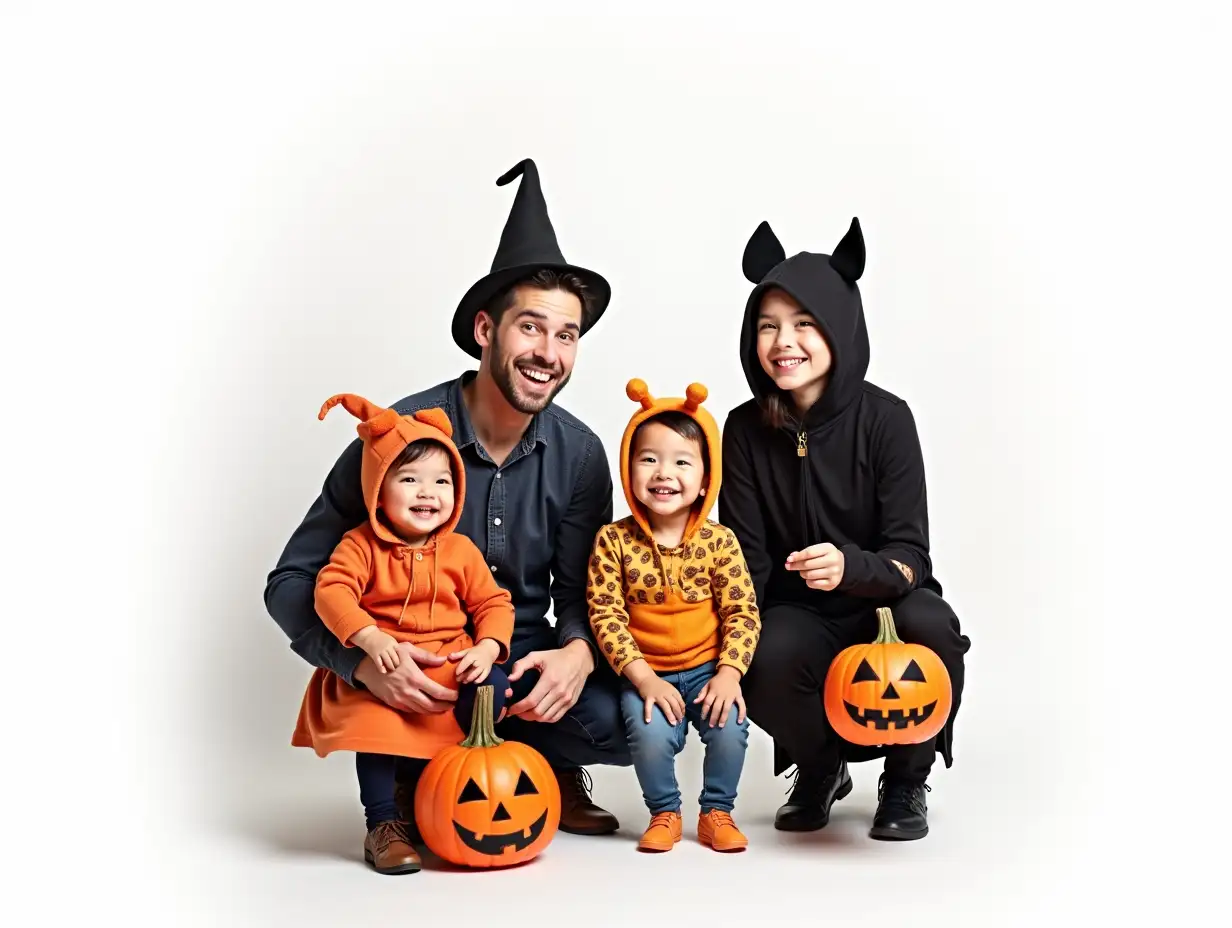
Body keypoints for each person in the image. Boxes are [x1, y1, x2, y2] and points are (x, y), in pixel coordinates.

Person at [266, 158, 631, 839]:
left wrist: (578, 651)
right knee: (407, 726)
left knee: (630, 721)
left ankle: (542, 763)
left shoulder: (580, 454)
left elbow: (583, 591)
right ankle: (405, 789)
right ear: (486, 330)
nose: (548, 353)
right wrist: (360, 662)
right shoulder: (397, 439)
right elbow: (290, 583)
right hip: (415, 664)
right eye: (530, 327)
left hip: (508, 663)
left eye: (566, 335)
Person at [719, 217, 972, 841]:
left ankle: (906, 778)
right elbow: (745, 557)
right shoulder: (744, 429)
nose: (784, 341)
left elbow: (911, 551)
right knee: (763, 646)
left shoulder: (887, 419)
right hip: (796, 608)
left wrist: (851, 566)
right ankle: (820, 768)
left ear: (840, 329)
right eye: (769, 326)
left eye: (804, 324)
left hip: (883, 600)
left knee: (930, 626)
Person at [293, 395, 514, 874]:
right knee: (378, 726)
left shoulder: (460, 549)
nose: (426, 492)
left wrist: (488, 646)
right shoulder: (359, 545)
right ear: (377, 490)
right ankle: (383, 824)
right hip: (385, 666)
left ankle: (437, 793)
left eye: (441, 481)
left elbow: (493, 603)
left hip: (450, 661)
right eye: (409, 479)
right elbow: (330, 592)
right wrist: (370, 639)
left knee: (492, 690)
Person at [587, 379, 760, 853]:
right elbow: (606, 616)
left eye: (681, 461)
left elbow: (742, 612)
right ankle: (664, 811)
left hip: (708, 669)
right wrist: (643, 680)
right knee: (648, 736)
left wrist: (729, 674)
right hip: (647, 672)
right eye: (649, 459)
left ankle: (716, 812)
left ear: (706, 478)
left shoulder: (719, 541)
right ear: (629, 469)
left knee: (730, 730)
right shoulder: (613, 541)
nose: (664, 472)